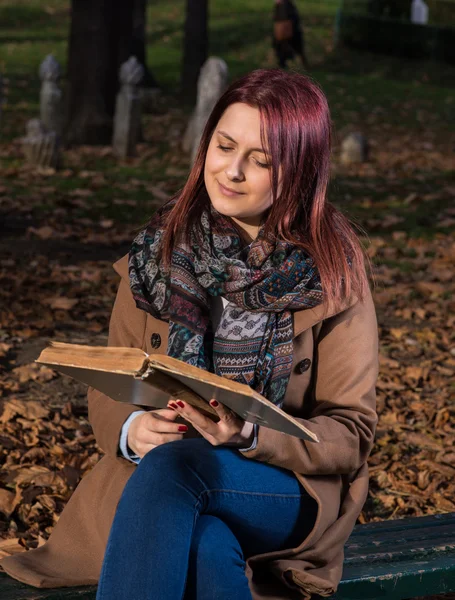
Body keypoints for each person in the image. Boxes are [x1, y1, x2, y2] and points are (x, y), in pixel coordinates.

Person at [0, 69, 378, 599]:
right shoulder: (159, 255)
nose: (233, 171)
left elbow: (352, 432)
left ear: (300, 171)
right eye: (225, 146)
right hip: (163, 481)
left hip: (281, 487)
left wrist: (250, 435)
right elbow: (111, 380)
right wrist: (133, 430)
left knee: (179, 468)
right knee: (204, 540)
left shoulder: (332, 273)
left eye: (261, 160)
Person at [273, 0, 310, 70]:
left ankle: (302, 62)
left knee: (292, 39)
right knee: (282, 41)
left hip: (286, 10)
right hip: (283, 10)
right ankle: (282, 64)